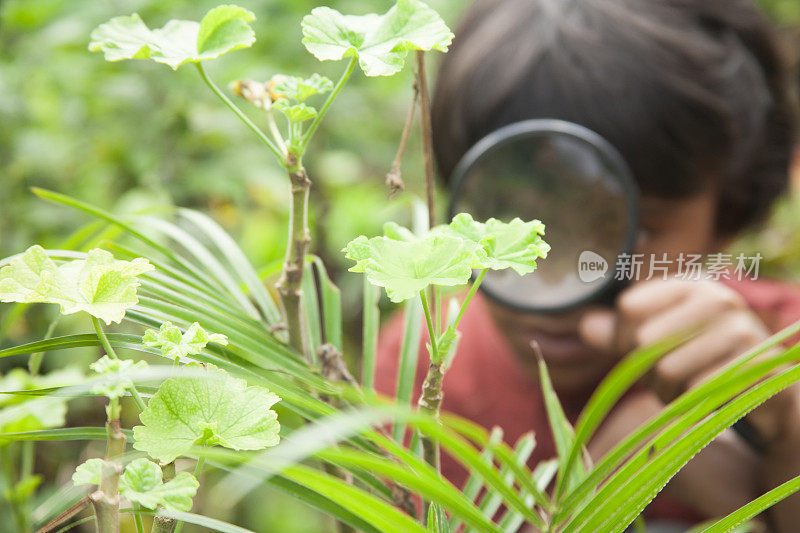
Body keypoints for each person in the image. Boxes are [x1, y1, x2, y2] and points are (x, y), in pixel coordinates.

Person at [375, 0, 800, 530]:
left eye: (629, 229)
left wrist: (786, 444)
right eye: (510, 218)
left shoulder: (785, 348)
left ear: (727, 217)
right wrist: (598, 487)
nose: (554, 276)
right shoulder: (426, 373)